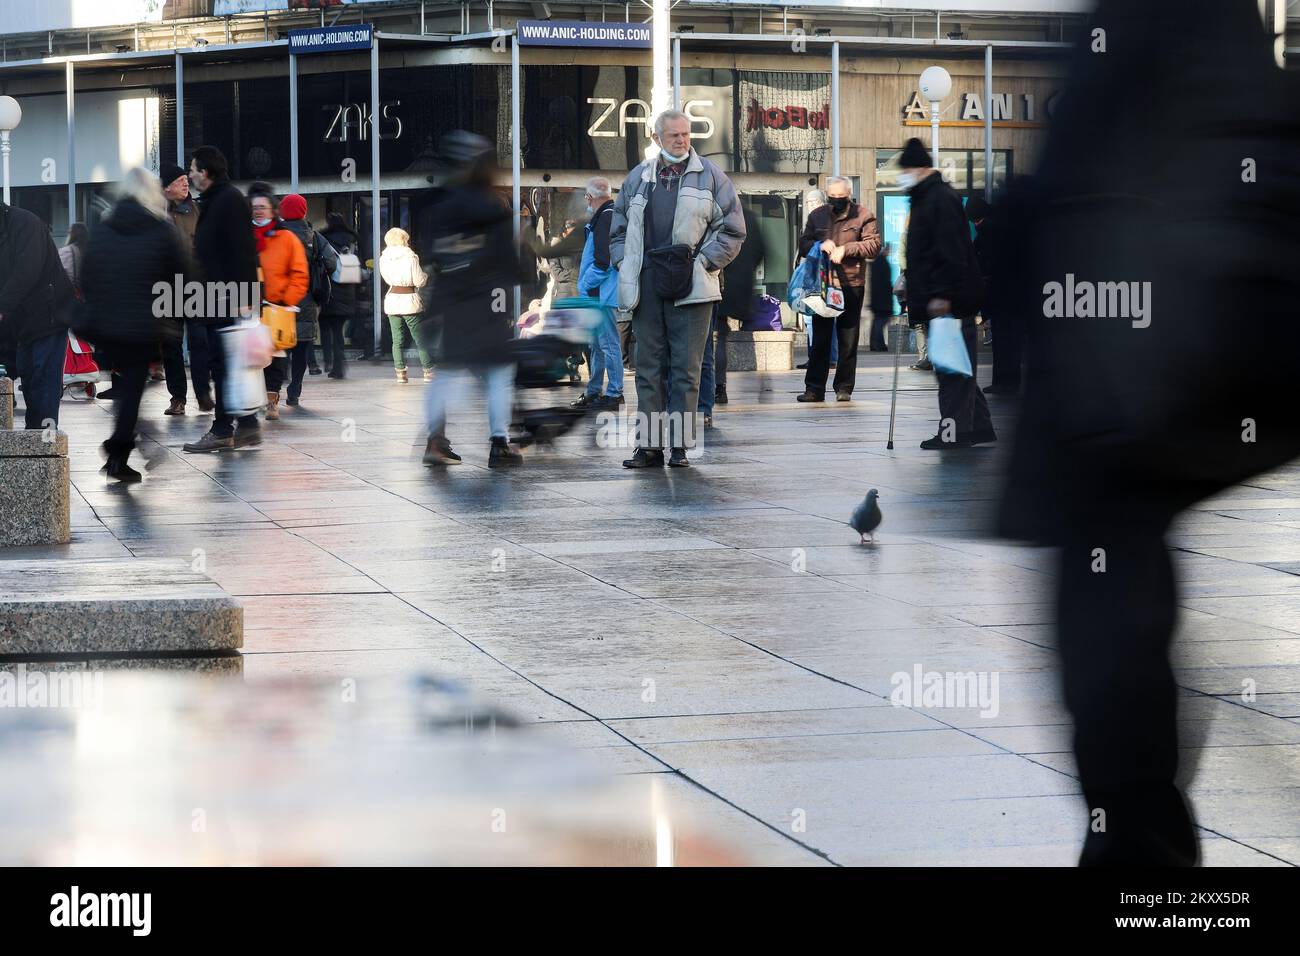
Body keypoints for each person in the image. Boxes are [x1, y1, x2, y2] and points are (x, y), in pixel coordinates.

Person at [610, 108, 745, 468]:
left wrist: (704, 263)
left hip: (694, 286)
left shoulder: (711, 177)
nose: (683, 141)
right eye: (674, 135)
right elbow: (618, 229)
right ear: (656, 139)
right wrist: (625, 262)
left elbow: (732, 230)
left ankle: (680, 446)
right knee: (648, 367)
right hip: (647, 283)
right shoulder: (638, 178)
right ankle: (649, 447)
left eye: (686, 134)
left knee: (687, 368)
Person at [421, 131, 529, 468]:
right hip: (488, 303)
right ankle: (499, 443)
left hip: (451, 302)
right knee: (498, 374)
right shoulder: (492, 207)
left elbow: (432, 256)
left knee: (448, 372)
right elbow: (513, 265)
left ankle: (435, 441)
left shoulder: (440, 207)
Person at [79, 168, 189, 481]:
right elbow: (181, 275)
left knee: (127, 389)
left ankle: (120, 451)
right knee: (131, 391)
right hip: (143, 326)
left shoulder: (103, 228)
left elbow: (88, 275)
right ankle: (117, 452)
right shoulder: (161, 229)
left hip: (107, 326)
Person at [897, 138, 994, 450]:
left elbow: (949, 252)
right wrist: (908, 280)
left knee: (951, 373)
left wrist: (941, 295)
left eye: (907, 170)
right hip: (944, 299)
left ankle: (952, 434)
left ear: (921, 169)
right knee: (957, 368)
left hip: (948, 302)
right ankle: (977, 428)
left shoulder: (939, 198)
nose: (903, 176)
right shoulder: (927, 198)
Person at [182, 145, 264, 453]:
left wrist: (244, 297)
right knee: (230, 362)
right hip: (219, 295)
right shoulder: (218, 199)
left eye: (192, 169)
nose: (189, 174)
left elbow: (243, 250)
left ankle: (222, 429)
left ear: (205, 172)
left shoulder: (228, 200)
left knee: (224, 363)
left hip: (228, 297)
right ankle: (246, 426)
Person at [795, 176, 881, 403]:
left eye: (841, 198)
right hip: (824, 284)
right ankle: (814, 389)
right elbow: (803, 244)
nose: (836, 201)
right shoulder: (817, 215)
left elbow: (874, 245)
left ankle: (844, 387)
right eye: (832, 197)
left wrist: (847, 249)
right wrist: (819, 245)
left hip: (851, 283)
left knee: (848, 339)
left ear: (849, 196)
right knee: (820, 339)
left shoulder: (864, 215)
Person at [0, 202, 75, 429]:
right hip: (23, 321)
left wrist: (2, 307)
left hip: (48, 315)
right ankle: (35, 438)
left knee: (45, 381)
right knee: (29, 377)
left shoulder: (25, 223)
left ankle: (46, 441)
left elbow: (26, 271)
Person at [245, 184, 309, 421]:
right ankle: (253, 401)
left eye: (263, 207)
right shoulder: (243, 237)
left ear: (273, 210)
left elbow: (300, 274)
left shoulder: (287, 238)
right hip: (248, 307)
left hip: (277, 308)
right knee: (251, 357)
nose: (258, 211)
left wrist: (285, 300)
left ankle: (272, 400)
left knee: (275, 357)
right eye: (254, 208)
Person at [159, 164, 213, 415]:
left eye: (185, 179)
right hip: (165, 288)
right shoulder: (156, 212)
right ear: (166, 187)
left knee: (199, 342)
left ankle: (203, 394)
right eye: (179, 180)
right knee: (170, 345)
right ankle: (177, 397)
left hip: (196, 286)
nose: (185, 184)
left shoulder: (198, 210)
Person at [277, 193, 338, 407]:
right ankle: (295, 390)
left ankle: (273, 389)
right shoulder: (314, 237)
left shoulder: (275, 233)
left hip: (279, 298)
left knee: (278, 344)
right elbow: (332, 263)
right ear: (303, 211)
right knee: (301, 346)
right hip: (306, 297)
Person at [572, 176, 623, 411]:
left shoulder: (605, 216)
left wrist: (584, 283)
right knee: (597, 344)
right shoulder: (609, 215)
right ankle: (595, 391)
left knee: (608, 344)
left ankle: (614, 393)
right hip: (600, 293)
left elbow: (604, 260)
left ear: (590, 197)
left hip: (601, 293)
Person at [716, 205, 766, 404]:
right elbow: (761, 250)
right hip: (743, 286)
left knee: (719, 337)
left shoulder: (716, 215)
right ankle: (762, 382)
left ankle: (720, 387)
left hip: (720, 283)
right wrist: (747, 271)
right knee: (750, 333)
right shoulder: (749, 216)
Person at [379, 228, 432, 383]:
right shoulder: (411, 257)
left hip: (392, 299)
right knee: (420, 338)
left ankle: (400, 372)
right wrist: (426, 276)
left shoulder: (384, 258)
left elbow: (387, 278)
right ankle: (428, 370)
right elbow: (418, 281)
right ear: (404, 240)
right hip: (409, 299)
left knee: (397, 339)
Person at [320, 211, 359, 379]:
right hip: (347, 291)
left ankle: (328, 359)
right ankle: (339, 366)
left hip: (329, 290)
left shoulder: (323, 238)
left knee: (325, 328)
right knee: (338, 332)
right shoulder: (352, 239)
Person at [869, 242, 895, 352]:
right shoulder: (881, 262)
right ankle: (878, 344)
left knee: (878, 322)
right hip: (882, 300)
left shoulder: (877, 262)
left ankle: (877, 344)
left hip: (878, 299)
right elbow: (885, 282)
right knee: (879, 322)